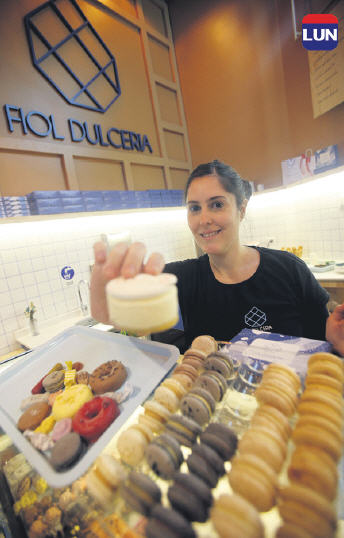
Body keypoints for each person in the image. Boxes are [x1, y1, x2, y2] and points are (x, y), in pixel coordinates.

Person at [90, 159, 329, 350]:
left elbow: (326, 342)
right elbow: (131, 322)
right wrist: (111, 302)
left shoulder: (289, 270)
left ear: (241, 209)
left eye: (216, 204)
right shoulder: (180, 278)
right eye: (194, 208)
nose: (204, 220)